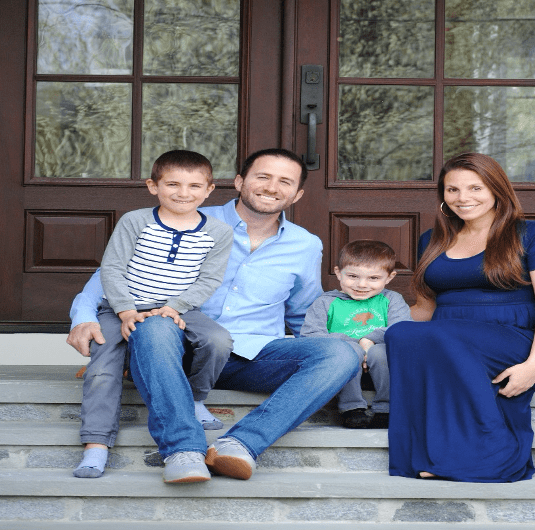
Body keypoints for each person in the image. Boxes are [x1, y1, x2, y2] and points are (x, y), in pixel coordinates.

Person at [67, 148, 360, 483]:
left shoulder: (305, 245)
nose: (272, 187)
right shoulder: (187, 216)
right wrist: (84, 318)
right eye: (262, 177)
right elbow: (110, 274)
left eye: (285, 181)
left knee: (343, 350)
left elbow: (305, 314)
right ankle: (183, 449)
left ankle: (239, 445)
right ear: (239, 181)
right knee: (155, 325)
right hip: (175, 349)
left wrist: (344, 365)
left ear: (297, 194)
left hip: (250, 357)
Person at [385, 152, 535, 483]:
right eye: (452, 189)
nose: (462, 198)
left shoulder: (532, 233)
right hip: (450, 343)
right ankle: (433, 455)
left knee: (442, 336)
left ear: (497, 190)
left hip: (522, 342)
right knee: (399, 336)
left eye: (475, 188)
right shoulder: (433, 240)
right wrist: (370, 333)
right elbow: (425, 309)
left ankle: (494, 450)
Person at [73, 150, 234, 482]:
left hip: (180, 307)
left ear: (209, 190)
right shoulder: (135, 221)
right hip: (121, 306)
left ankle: (194, 398)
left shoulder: (218, 232)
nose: (183, 193)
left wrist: (174, 306)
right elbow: (113, 269)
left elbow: (209, 279)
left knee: (218, 340)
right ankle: (96, 444)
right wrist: (126, 310)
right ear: (153, 186)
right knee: (103, 368)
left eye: (194, 186)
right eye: (172, 184)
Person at [300, 240, 411, 429]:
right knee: (349, 351)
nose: (361, 284)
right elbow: (310, 335)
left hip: (382, 366)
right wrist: (357, 343)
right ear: (338, 273)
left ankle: (386, 408)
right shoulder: (325, 302)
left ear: (390, 277)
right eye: (352, 276)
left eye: (373, 278)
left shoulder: (391, 299)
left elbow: (401, 329)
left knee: (380, 352)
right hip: (344, 370)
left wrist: (370, 340)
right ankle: (352, 409)